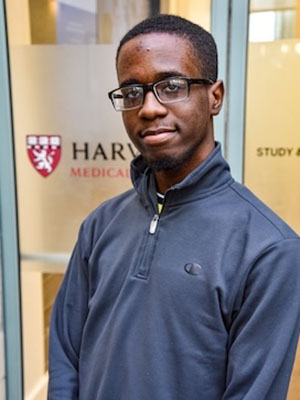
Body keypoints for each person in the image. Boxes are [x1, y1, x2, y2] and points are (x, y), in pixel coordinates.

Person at [48, 14, 300, 400]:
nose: (148, 108)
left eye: (171, 86)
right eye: (132, 92)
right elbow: (66, 354)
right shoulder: (100, 224)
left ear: (215, 97)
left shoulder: (269, 249)